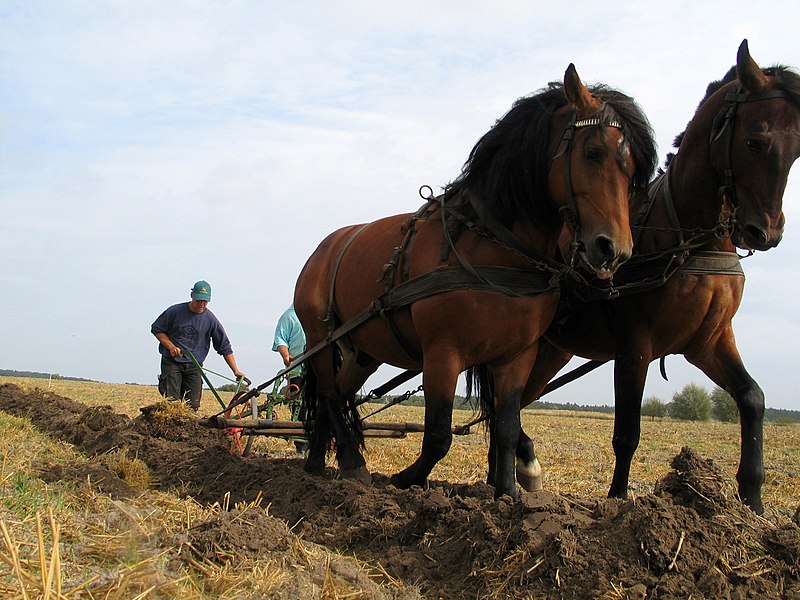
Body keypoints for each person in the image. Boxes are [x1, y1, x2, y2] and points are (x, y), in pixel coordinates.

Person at [151, 280, 244, 411]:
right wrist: (171, 346)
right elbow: (157, 329)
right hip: (172, 363)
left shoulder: (210, 319)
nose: (202, 304)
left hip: (194, 366)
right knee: (172, 404)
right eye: (199, 300)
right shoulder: (175, 312)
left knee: (192, 405)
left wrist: (235, 370)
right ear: (192, 295)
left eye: (205, 301)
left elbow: (224, 346)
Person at [272, 304, 308, 454]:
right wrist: (286, 355)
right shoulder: (289, 316)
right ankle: (301, 447)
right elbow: (281, 339)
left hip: (317, 368)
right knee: (299, 406)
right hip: (297, 369)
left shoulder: (320, 313)